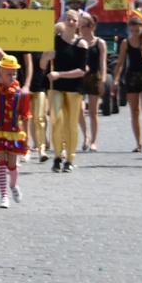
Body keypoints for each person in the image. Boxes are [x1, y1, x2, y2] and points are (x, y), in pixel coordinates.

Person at [46, 10, 89, 172]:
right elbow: (43, 65)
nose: (71, 22)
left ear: (78, 24)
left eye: (74, 20)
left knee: (71, 124)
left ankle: (69, 159)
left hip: (74, 89)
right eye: (68, 19)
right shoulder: (54, 41)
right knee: (56, 120)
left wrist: (60, 74)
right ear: (63, 21)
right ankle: (57, 156)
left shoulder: (81, 44)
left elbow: (81, 71)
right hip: (57, 88)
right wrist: (46, 57)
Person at [0, 56, 29, 207]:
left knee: (12, 163)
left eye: (14, 74)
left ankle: (13, 185)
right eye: (9, 74)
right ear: (1, 75)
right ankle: (3, 195)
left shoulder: (21, 94)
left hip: (14, 132)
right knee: (1, 162)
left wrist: (26, 137)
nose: (12, 77)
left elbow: (25, 116)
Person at [113, 13, 142, 153]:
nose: (134, 33)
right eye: (132, 30)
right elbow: (120, 62)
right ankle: (138, 142)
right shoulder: (126, 42)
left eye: (137, 30)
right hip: (131, 77)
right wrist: (115, 79)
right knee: (134, 111)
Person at [76, 13, 107, 153]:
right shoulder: (78, 41)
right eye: (81, 26)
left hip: (94, 76)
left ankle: (94, 141)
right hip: (80, 77)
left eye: (85, 26)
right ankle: (86, 136)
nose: (82, 29)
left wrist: (103, 81)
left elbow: (103, 63)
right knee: (80, 109)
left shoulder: (99, 42)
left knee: (93, 112)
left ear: (92, 26)